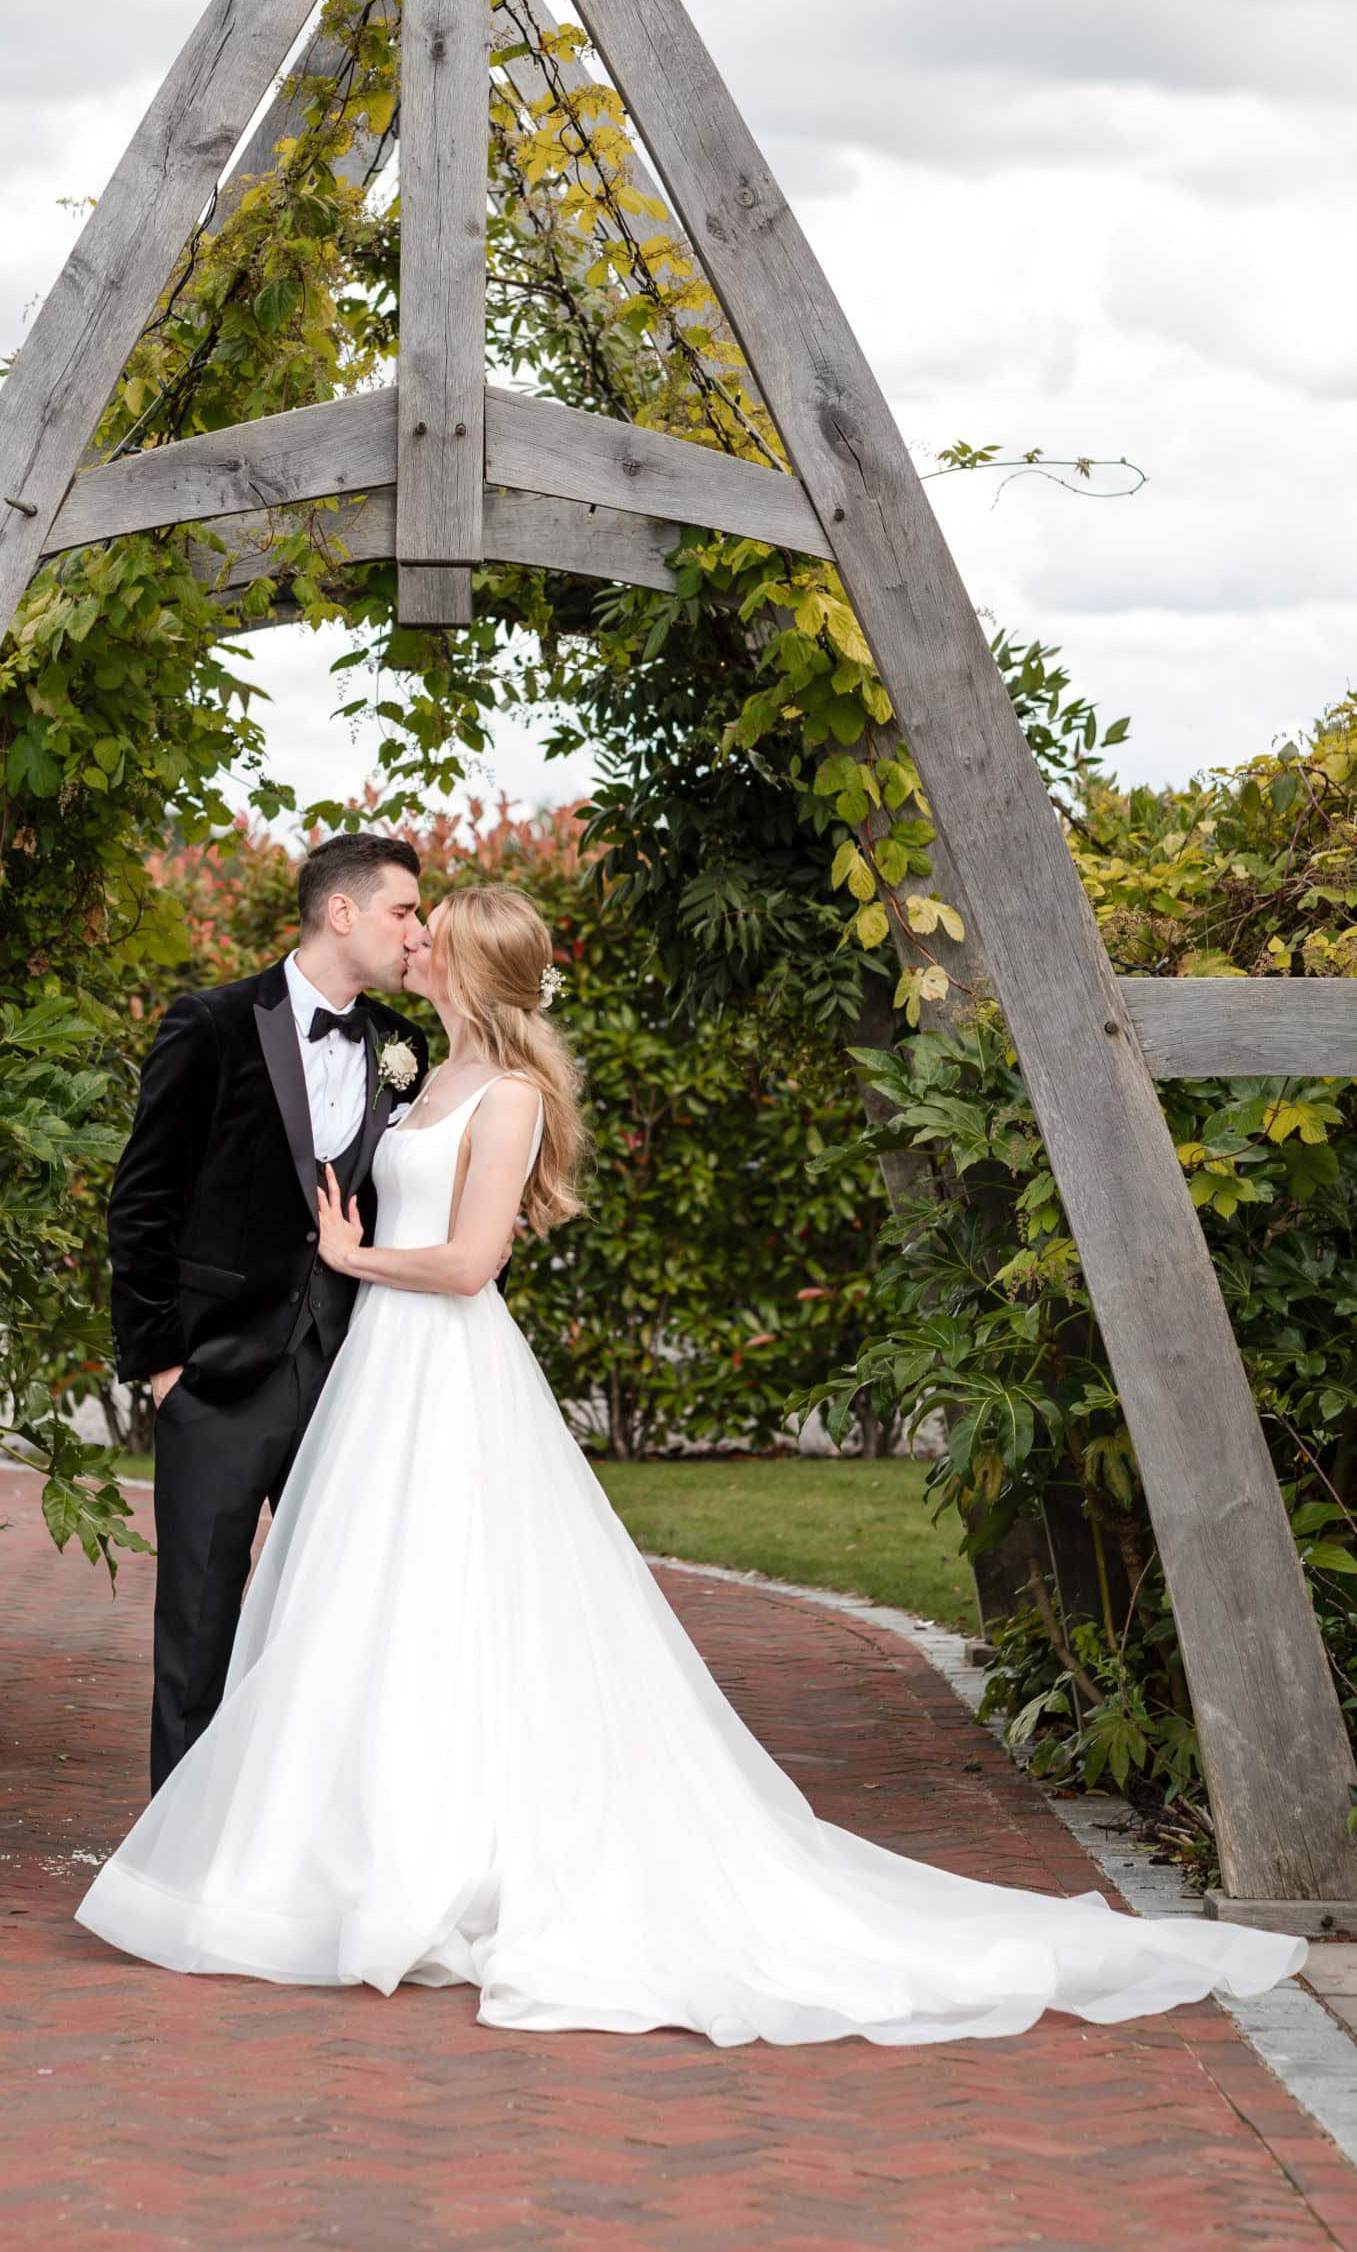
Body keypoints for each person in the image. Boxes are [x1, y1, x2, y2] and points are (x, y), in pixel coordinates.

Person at [78, 883, 1309, 2047]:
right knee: (370, 1604)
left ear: (464, 964)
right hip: (379, 1375)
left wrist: (356, 1263)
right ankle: (345, 1847)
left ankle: (456, 1853)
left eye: (430, 931)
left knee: (450, 1594)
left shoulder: (504, 1092)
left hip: (441, 1358)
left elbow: (469, 1264)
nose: (414, 942)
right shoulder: (427, 1064)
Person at [104, 829, 433, 1793]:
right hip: (217, 1373)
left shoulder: (403, 1047)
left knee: (342, 1617)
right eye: (403, 911)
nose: (414, 933)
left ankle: (304, 1837)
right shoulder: (208, 1025)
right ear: (343, 912)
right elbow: (141, 1202)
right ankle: (177, 1853)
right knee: (199, 1621)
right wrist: (162, 1364)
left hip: (351, 1374)